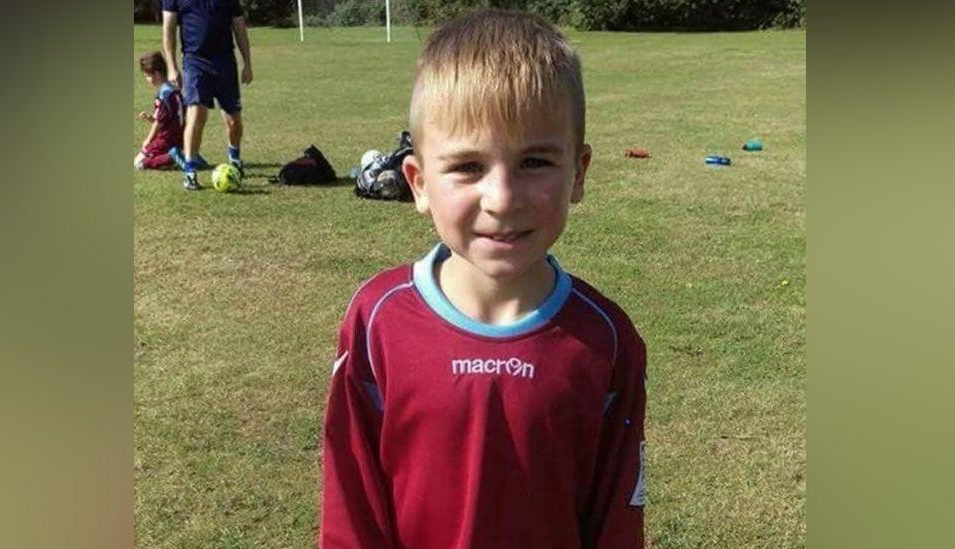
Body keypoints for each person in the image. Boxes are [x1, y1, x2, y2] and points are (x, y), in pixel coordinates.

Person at [320, 9, 648, 548]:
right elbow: (351, 507)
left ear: (579, 173)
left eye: (535, 161)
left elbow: (616, 519)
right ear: (419, 182)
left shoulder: (607, 340)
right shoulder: (377, 321)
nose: (502, 199)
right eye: (468, 167)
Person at [161, 0, 253, 191]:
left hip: (225, 62)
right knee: (196, 113)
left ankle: (234, 159)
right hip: (195, 61)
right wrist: (171, 67)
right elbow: (168, 30)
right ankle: (190, 170)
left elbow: (239, 27)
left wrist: (247, 64)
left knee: (233, 120)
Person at [134, 52, 184, 171]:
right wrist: (150, 118)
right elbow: (169, 118)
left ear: (156, 74)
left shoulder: (163, 94)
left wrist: (148, 140)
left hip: (166, 139)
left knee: (138, 163)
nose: (147, 79)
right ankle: (178, 155)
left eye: (147, 75)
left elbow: (159, 123)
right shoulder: (175, 90)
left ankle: (171, 157)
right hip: (179, 138)